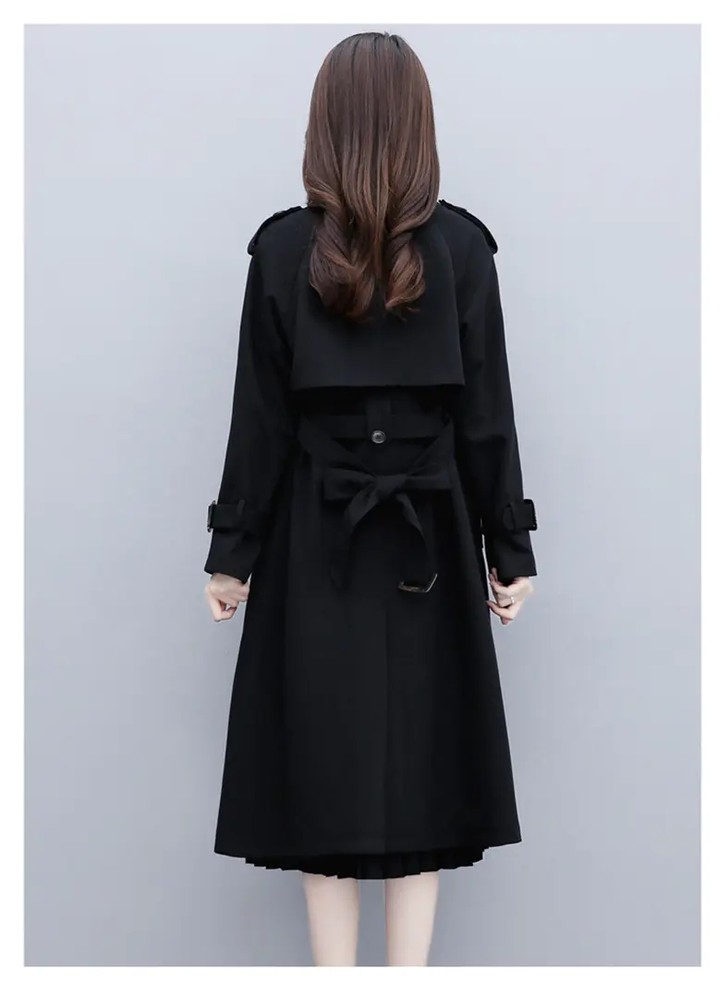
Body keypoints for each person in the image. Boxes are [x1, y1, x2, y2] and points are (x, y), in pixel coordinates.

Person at [203, 30, 538, 967]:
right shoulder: (464, 248)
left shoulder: (283, 250)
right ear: (419, 125)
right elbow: (487, 420)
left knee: (326, 766)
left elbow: (259, 423)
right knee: (418, 767)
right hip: (429, 534)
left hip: (316, 542)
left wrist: (231, 558)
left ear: (324, 126)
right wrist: (509, 552)